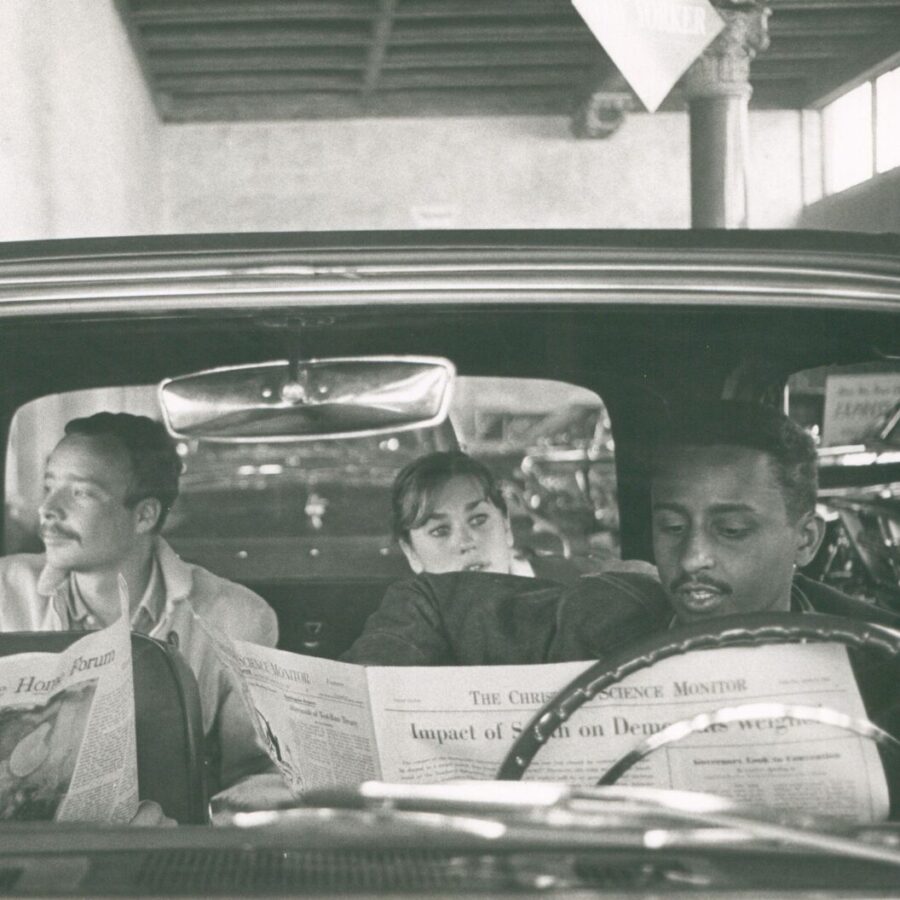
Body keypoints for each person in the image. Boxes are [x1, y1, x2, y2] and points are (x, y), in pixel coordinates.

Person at [342, 402, 900, 667]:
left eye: (731, 529)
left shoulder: (876, 659)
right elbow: (432, 603)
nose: (694, 557)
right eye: (671, 526)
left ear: (806, 540)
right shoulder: (600, 612)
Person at [0, 412, 280, 800]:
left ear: (144, 515)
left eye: (80, 492)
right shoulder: (4, 591)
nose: (48, 509)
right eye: (49, 487)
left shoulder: (236, 617)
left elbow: (256, 772)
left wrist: (195, 828)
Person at [391, 450, 590, 582]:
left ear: (506, 526)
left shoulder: (572, 585)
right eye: (440, 531)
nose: (466, 542)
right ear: (411, 553)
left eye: (478, 520)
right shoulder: (405, 620)